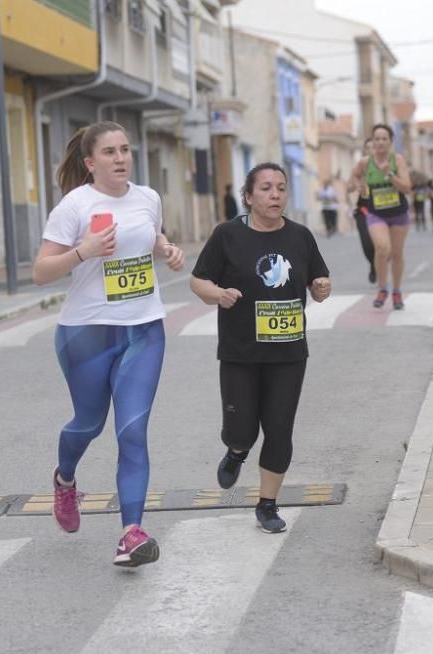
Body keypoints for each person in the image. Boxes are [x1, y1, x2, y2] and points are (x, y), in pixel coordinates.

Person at [31, 121, 185, 567]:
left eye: (125, 150)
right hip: (87, 333)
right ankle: (65, 480)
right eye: (110, 152)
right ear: (90, 162)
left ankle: (131, 534)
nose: (121, 159)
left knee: (133, 431)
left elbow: (150, 235)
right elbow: (41, 272)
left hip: (144, 329)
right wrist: (84, 250)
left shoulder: (147, 198)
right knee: (88, 423)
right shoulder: (73, 207)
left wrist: (166, 248)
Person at [190, 162, 331, 534]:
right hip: (240, 352)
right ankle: (237, 451)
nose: (275, 195)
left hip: (288, 354)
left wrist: (320, 287)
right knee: (241, 429)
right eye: (266, 188)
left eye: (281, 188)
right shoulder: (227, 236)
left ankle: (267, 504)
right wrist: (218, 294)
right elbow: (198, 281)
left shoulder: (300, 237)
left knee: (280, 429)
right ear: (249, 197)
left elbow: (319, 277)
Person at [351, 124, 412, 310]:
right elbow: (355, 175)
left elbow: (407, 187)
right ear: (373, 141)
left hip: (399, 214)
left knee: (397, 254)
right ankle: (382, 287)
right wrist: (359, 184)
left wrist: (390, 175)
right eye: (377, 138)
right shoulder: (365, 162)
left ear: (390, 142)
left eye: (384, 138)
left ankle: (397, 290)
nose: (380, 142)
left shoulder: (397, 160)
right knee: (382, 247)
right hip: (376, 214)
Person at [347, 138, 376, 283]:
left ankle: (379, 262)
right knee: (367, 243)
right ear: (365, 150)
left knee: (381, 245)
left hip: (380, 210)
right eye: (368, 148)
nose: (371, 150)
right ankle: (373, 265)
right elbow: (348, 187)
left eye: (373, 147)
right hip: (363, 209)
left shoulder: (383, 166)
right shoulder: (358, 168)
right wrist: (356, 186)